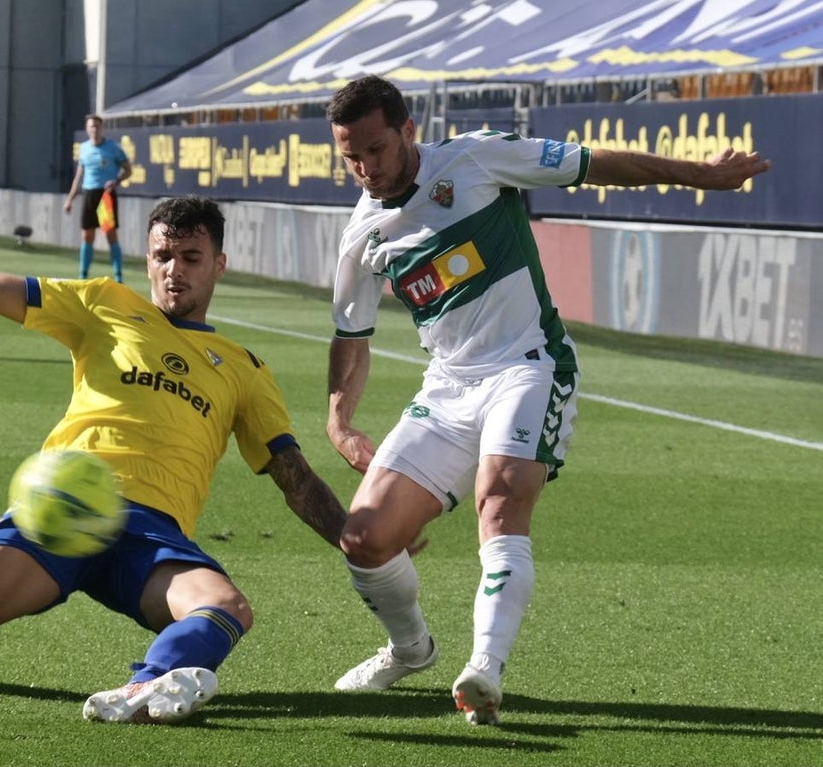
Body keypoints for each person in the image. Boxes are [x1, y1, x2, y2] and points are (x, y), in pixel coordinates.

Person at [0, 165, 350, 725]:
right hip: (62, 507)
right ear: (147, 259)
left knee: (227, 607)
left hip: (151, 535)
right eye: (162, 257)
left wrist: (357, 541)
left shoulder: (246, 369)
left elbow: (293, 477)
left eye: (191, 258)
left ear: (218, 264)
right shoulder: (105, 304)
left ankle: (145, 687)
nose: (174, 271)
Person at [323, 75, 770, 725]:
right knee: (363, 539)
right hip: (448, 389)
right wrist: (338, 419)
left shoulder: (475, 158)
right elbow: (351, 336)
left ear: (408, 130)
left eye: (376, 149)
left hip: (528, 367)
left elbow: (595, 163)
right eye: (349, 157)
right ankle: (411, 646)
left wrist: (700, 174)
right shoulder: (362, 232)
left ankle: (484, 668)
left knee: (499, 496)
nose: (365, 169)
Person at [63, 114, 133, 281]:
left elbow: (128, 170)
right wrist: (70, 199)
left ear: (102, 128)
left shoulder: (113, 148)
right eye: (91, 126)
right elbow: (78, 176)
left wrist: (116, 181)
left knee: (110, 234)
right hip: (89, 194)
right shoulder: (84, 148)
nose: (94, 129)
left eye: (97, 126)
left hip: (106, 195)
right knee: (87, 235)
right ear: (87, 129)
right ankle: (83, 275)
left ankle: (118, 276)